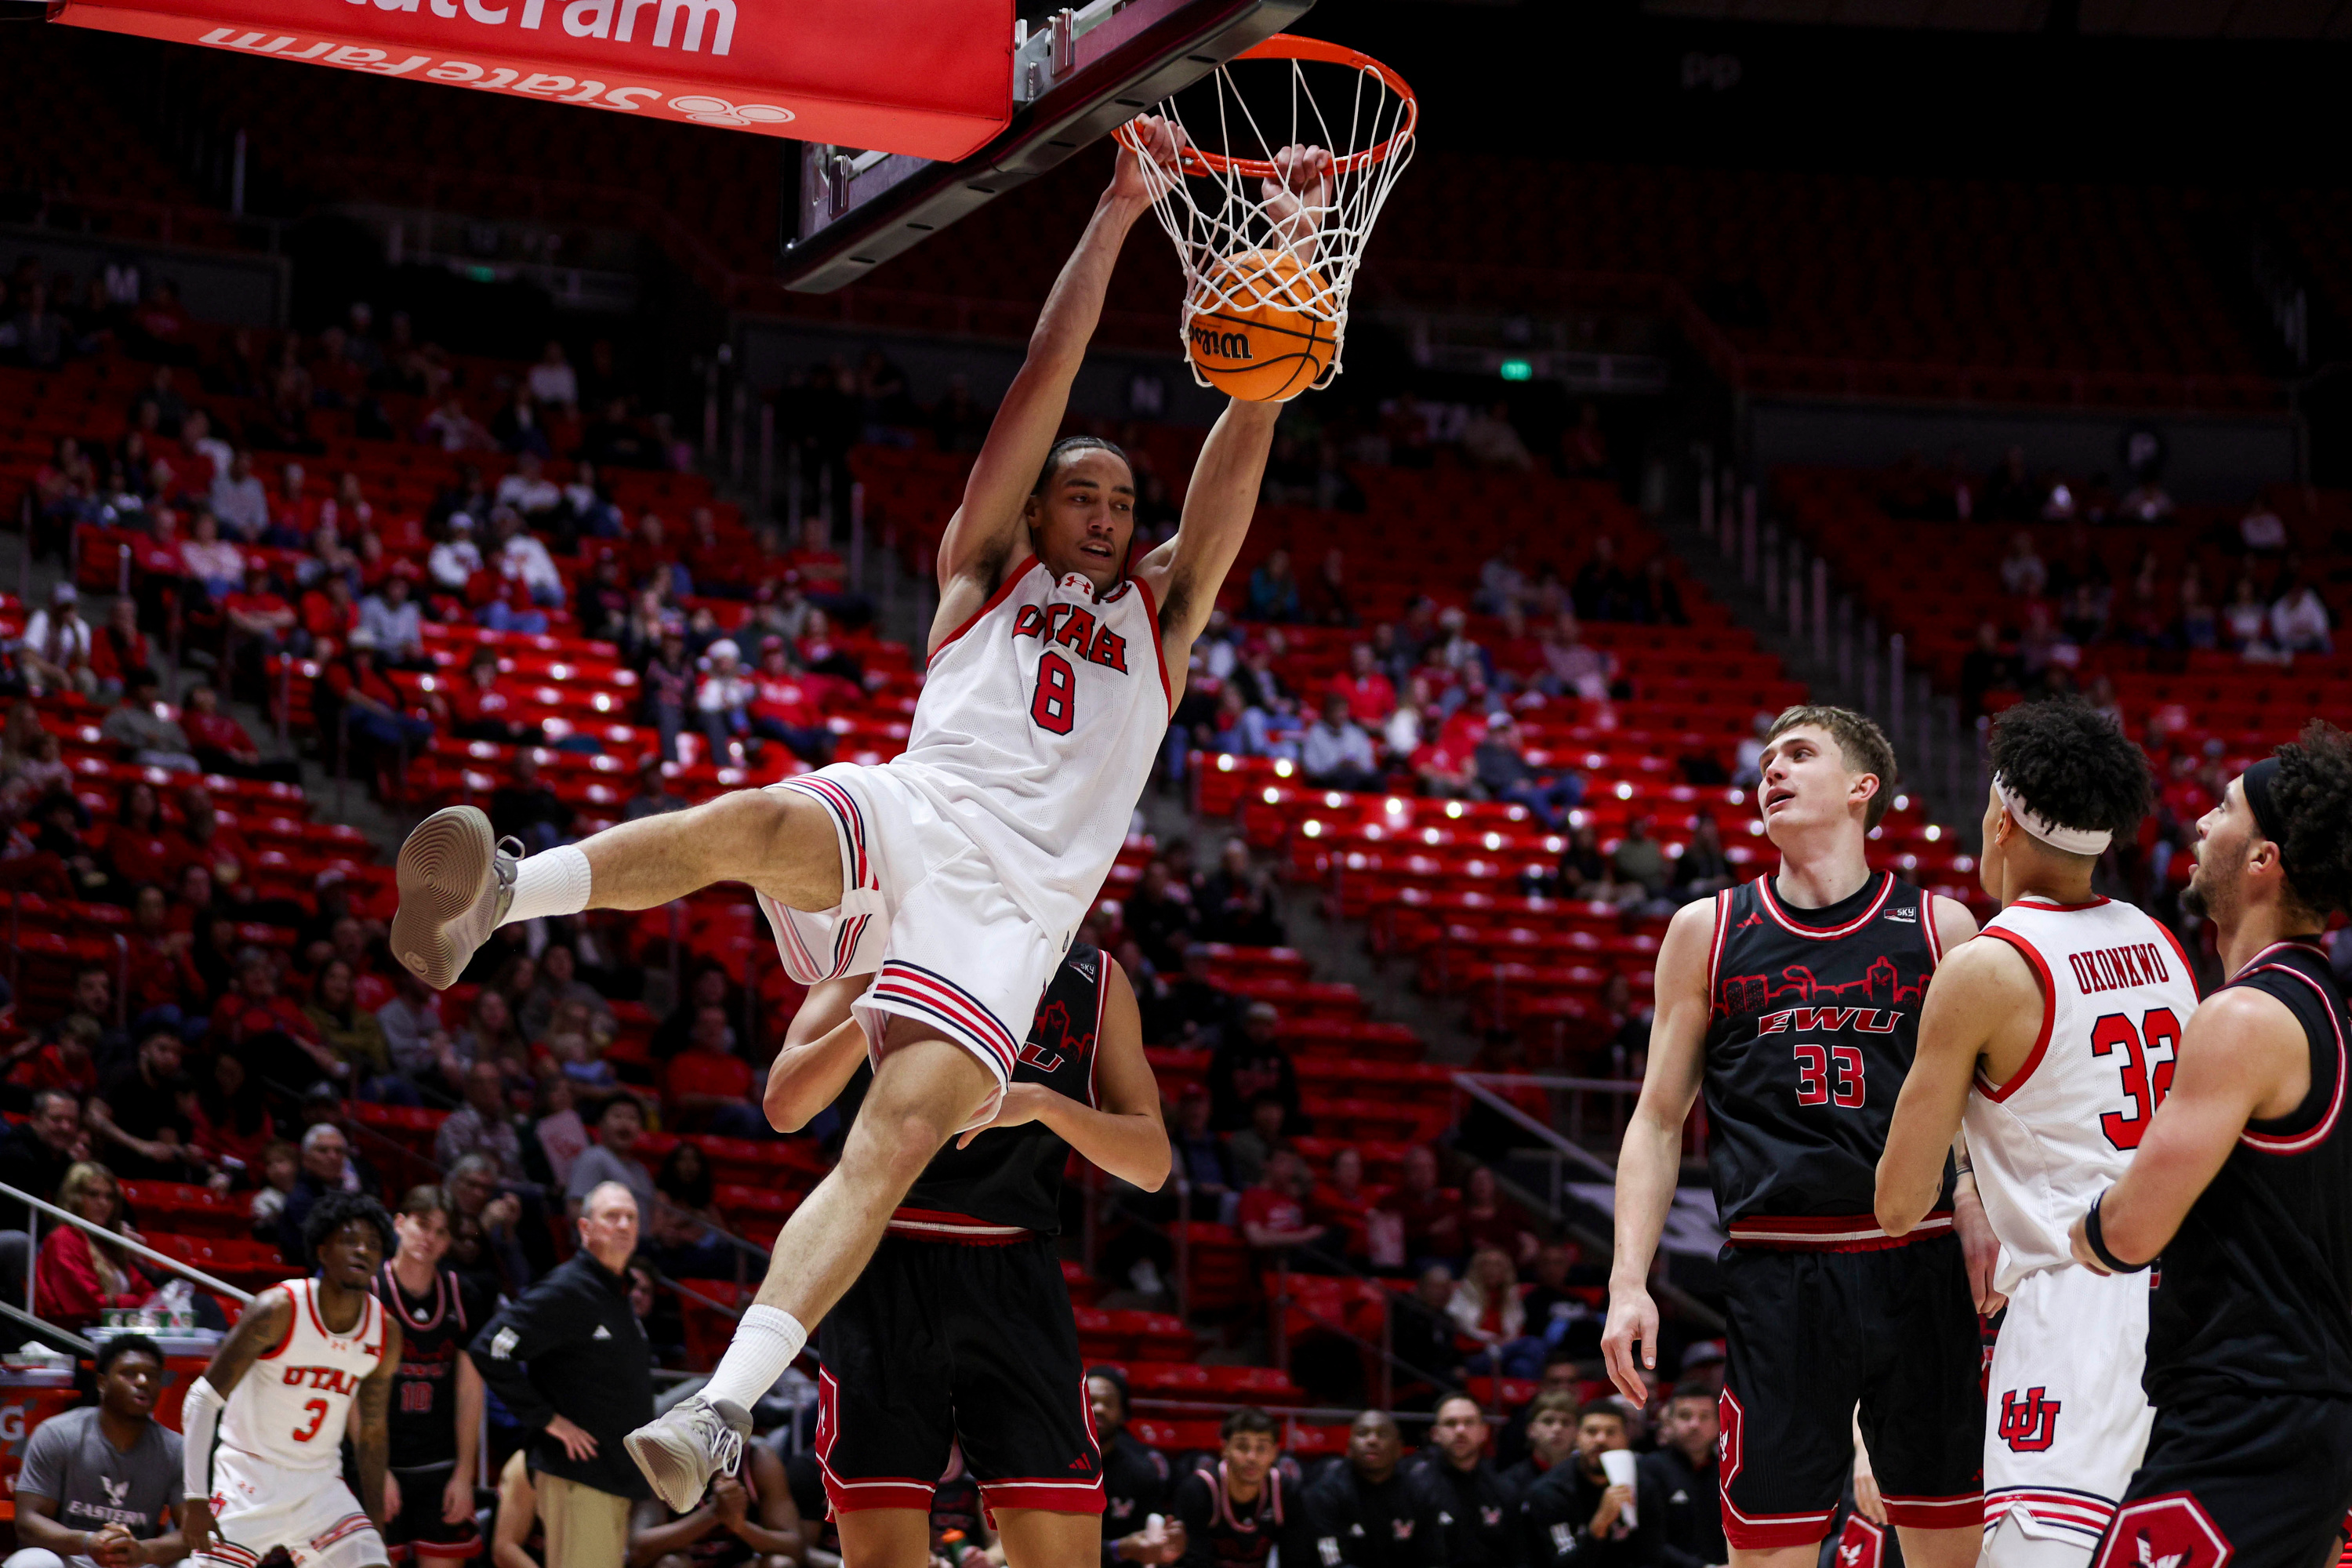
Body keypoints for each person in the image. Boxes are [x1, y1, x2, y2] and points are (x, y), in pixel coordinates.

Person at [389, 122, 1328, 1509]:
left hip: (1012, 918)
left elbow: (1247, 422)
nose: (1106, 511)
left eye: (1125, 501)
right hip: (922, 808)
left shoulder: (1164, 616)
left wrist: (1296, 249)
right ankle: (505, 895)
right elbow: (1045, 374)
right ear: (1034, 510)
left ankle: (717, 1409)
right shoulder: (979, 574)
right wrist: (1122, 211)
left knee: (887, 1144)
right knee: (761, 820)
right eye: (1083, 492)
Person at [1602, 706, 1987, 1568]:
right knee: (1767, 1553)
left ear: (1863, 788)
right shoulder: (1708, 931)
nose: (1771, 769)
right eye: (1767, 758)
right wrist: (1630, 1278)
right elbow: (1659, 1117)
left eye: (1799, 754)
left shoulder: (1944, 931)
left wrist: (1969, 1193)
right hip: (1778, 1273)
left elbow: (1974, 1110)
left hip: (1916, 1263)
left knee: (1948, 1550)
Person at [1875, 699, 2190, 1566]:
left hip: (2073, 1304)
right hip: (2191, 1300)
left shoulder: (1988, 963)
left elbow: (1899, 1202)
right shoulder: (2160, 941)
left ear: (2001, 818)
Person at [759, 943, 1168, 1559]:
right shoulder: (878, 945)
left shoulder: (1096, 978)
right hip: (880, 1261)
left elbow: (1152, 1161)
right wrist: (875, 1011)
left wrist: (1042, 1104)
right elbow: (784, 1105)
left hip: (1013, 1271)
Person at [2060, 724, 2352, 1568]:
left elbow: (2131, 1231)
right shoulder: (2325, 1008)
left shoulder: (2243, 1017)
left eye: (2222, 810)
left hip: (2249, 1419)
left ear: (2263, 858)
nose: (2199, 825)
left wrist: (2079, 1226)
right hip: (2295, 1412)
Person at [178, 1191, 401, 1568]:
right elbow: (202, 1398)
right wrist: (196, 1498)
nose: (362, 1250)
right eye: (350, 1240)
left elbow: (373, 1433)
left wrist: (375, 1524)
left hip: (318, 1486)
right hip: (248, 1479)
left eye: (373, 1245)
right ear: (321, 1249)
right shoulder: (278, 1310)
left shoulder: (384, 1332)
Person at [470, 1181, 655, 1568]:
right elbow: (490, 1348)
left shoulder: (616, 1293)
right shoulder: (570, 1288)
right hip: (580, 1478)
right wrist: (547, 1420)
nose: (623, 1225)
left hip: (612, 1477)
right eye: (611, 1216)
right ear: (585, 1228)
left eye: (631, 1217)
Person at [374, 1186, 488, 1568]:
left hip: (439, 1465)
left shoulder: (463, 1295)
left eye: (442, 1232)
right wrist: (374, 1468)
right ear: (400, 1223)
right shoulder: (369, 1292)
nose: (430, 1238)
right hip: (378, 1460)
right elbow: (354, 1390)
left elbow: (471, 1390)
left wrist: (464, 1474)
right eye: (423, 1225)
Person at [10, 1334, 186, 1568]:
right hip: (73, 1557)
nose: (143, 1381)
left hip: (137, 1561)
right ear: (102, 1383)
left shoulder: (176, 1448)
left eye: (153, 1376)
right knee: (31, 1563)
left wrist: (144, 1551)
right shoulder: (57, 1433)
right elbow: (27, 1521)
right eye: (130, 1373)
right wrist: (88, 1542)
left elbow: (192, 1531)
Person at [1171, 1409, 1312, 1568]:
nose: (1251, 1457)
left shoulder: (1286, 1491)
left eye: (1261, 1448)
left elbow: (1297, 1559)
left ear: (1274, 1453)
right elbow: (1192, 1561)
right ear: (1225, 1449)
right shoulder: (1199, 1489)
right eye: (1242, 1447)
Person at [1305, 1410, 1444, 1568]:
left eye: (1382, 1434)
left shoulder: (1419, 1492)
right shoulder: (1326, 1493)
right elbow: (1333, 1562)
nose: (1372, 1440)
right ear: (1349, 1448)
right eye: (1363, 1434)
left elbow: (1434, 1559)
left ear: (1399, 1449)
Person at [1519, 1403, 1639, 1568]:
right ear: (1577, 1437)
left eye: (1611, 1432)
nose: (1601, 1439)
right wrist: (1599, 1525)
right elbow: (1561, 1564)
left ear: (1627, 1438)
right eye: (1591, 1431)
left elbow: (1651, 1556)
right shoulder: (1550, 1491)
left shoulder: (1642, 1483)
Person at [1087, 1367, 1180, 1568]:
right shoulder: (1053, 1466)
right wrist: (1119, 1548)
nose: (1100, 1409)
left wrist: (1165, 1548)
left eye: (1109, 1403)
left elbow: (1148, 1546)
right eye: (1091, 1401)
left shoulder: (1142, 1471)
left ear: (1123, 1413)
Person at [1414, 1395, 1520, 1568]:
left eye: (1469, 1422)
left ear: (1483, 1432)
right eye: (1450, 1423)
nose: (1460, 1430)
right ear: (1435, 1434)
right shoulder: (1415, 1487)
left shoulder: (1504, 1488)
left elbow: (1519, 1556)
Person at [1635, 1388, 1726, 1568]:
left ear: (1718, 1424)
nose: (1695, 1424)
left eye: (1705, 1416)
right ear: (1668, 1424)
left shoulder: (1728, 1472)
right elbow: (1648, 1541)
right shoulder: (1649, 1468)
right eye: (1685, 1416)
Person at [564, 1093, 656, 1221]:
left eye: (632, 1118)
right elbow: (575, 1209)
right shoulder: (594, 1157)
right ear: (600, 1123)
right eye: (617, 1116)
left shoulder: (640, 1169)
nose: (625, 1124)